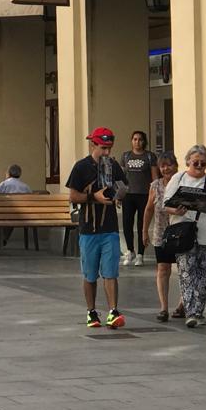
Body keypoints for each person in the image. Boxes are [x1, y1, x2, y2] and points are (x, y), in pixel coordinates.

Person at [66, 127, 127, 329]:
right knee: (90, 274)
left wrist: (118, 195)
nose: (107, 152)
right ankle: (91, 312)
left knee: (111, 272)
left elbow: (123, 188)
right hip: (88, 229)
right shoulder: (81, 167)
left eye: (109, 148)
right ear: (93, 145)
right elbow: (73, 196)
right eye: (103, 148)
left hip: (109, 227)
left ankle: (113, 311)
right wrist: (94, 197)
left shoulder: (113, 165)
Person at [163, 145, 206, 328]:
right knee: (186, 274)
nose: (199, 166)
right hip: (183, 233)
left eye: (203, 163)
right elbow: (165, 204)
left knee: (202, 276)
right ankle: (191, 312)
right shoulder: (179, 178)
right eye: (195, 162)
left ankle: (199, 312)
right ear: (188, 162)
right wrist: (175, 209)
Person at [142, 152, 184, 322]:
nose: (166, 169)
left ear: (176, 166)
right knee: (163, 269)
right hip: (161, 234)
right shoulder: (155, 186)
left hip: (181, 233)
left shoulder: (183, 184)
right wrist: (144, 231)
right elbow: (148, 209)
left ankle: (183, 304)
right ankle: (164, 307)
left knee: (184, 269)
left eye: (169, 165)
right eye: (163, 166)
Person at [121, 130, 158, 267]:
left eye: (140, 139)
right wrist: (119, 194)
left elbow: (155, 178)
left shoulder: (149, 156)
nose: (137, 142)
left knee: (142, 224)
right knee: (127, 223)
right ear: (131, 141)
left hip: (144, 195)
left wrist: (155, 194)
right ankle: (130, 251)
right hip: (128, 195)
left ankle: (140, 254)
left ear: (144, 141)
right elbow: (121, 177)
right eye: (135, 139)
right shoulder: (125, 156)